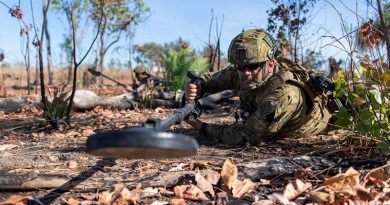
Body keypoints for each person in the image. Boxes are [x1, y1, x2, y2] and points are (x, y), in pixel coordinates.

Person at [184, 29, 333, 145]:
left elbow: (248, 136)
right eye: (240, 67)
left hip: (329, 121)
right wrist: (197, 86)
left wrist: (201, 126)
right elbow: (213, 79)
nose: (245, 73)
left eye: (253, 67)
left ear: (271, 64)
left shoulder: (284, 95)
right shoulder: (243, 71)